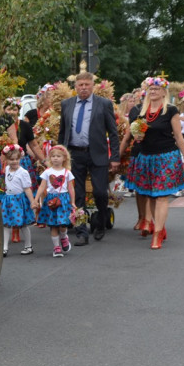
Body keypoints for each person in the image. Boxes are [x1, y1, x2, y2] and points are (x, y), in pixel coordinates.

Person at [121, 77, 184, 250]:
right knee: (151, 194)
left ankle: (157, 234)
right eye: (151, 89)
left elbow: (178, 136)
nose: (153, 92)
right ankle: (158, 225)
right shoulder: (140, 111)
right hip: (146, 157)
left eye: (156, 89)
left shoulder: (171, 110)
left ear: (163, 92)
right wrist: (137, 137)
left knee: (161, 195)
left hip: (166, 157)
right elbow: (134, 135)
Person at [57, 71, 120, 244]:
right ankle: (81, 231)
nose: (83, 88)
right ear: (75, 87)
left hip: (97, 153)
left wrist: (115, 157)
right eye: (80, 85)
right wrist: (60, 154)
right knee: (77, 194)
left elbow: (113, 133)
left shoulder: (103, 104)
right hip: (74, 154)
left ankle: (100, 223)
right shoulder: (67, 104)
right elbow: (63, 131)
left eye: (87, 85)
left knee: (100, 192)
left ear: (93, 86)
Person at [32, 145, 76, 258]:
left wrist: (73, 202)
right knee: (53, 225)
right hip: (51, 201)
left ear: (64, 158)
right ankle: (56, 247)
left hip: (63, 200)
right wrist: (36, 200)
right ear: (50, 158)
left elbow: (71, 188)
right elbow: (42, 187)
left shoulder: (67, 172)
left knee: (63, 223)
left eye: (58, 156)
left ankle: (64, 237)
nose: (55, 158)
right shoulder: (47, 172)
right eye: (53, 156)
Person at [0, 144, 35, 256]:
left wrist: (32, 201)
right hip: (8, 200)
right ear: (7, 160)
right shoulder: (6, 169)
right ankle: (4, 248)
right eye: (11, 159)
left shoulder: (23, 172)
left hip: (19, 201)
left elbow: (27, 189)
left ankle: (28, 246)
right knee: (6, 224)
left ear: (20, 158)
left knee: (23, 225)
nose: (14, 161)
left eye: (17, 159)